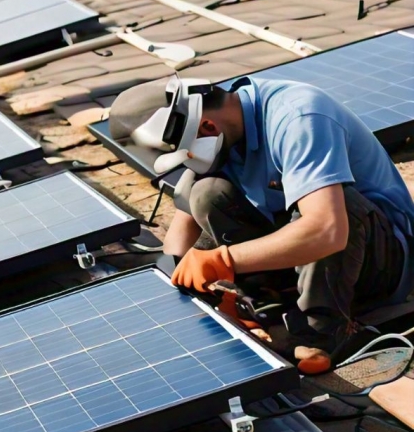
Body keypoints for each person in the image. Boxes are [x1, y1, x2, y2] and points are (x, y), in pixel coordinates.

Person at [109, 75, 414, 374]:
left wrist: (223, 260)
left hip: (379, 262)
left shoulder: (299, 118)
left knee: (335, 209)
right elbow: (184, 223)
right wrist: (171, 282)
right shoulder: (228, 126)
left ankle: (323, 330)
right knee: (205, 193)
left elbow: (327, 230)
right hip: (311, 256)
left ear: (207, 126)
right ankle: (271, 309)